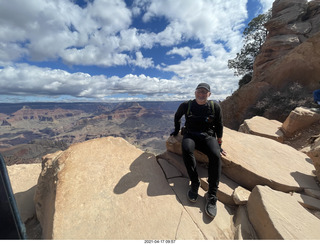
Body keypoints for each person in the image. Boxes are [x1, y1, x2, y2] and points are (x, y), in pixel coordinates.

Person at [170, 83, 225, 219]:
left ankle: (212, 194)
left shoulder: (214, 106)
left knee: (215, 155)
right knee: (187, 149)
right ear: (195, 93)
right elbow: (177, 117)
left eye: (204, 92)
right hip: (190, 134)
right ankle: (195, 182)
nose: (201, 94)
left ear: (209, 94)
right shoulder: (186, 105)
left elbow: (219, 124)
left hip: (207, 136)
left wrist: (219, 143)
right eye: (199, 92)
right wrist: (176, 131)